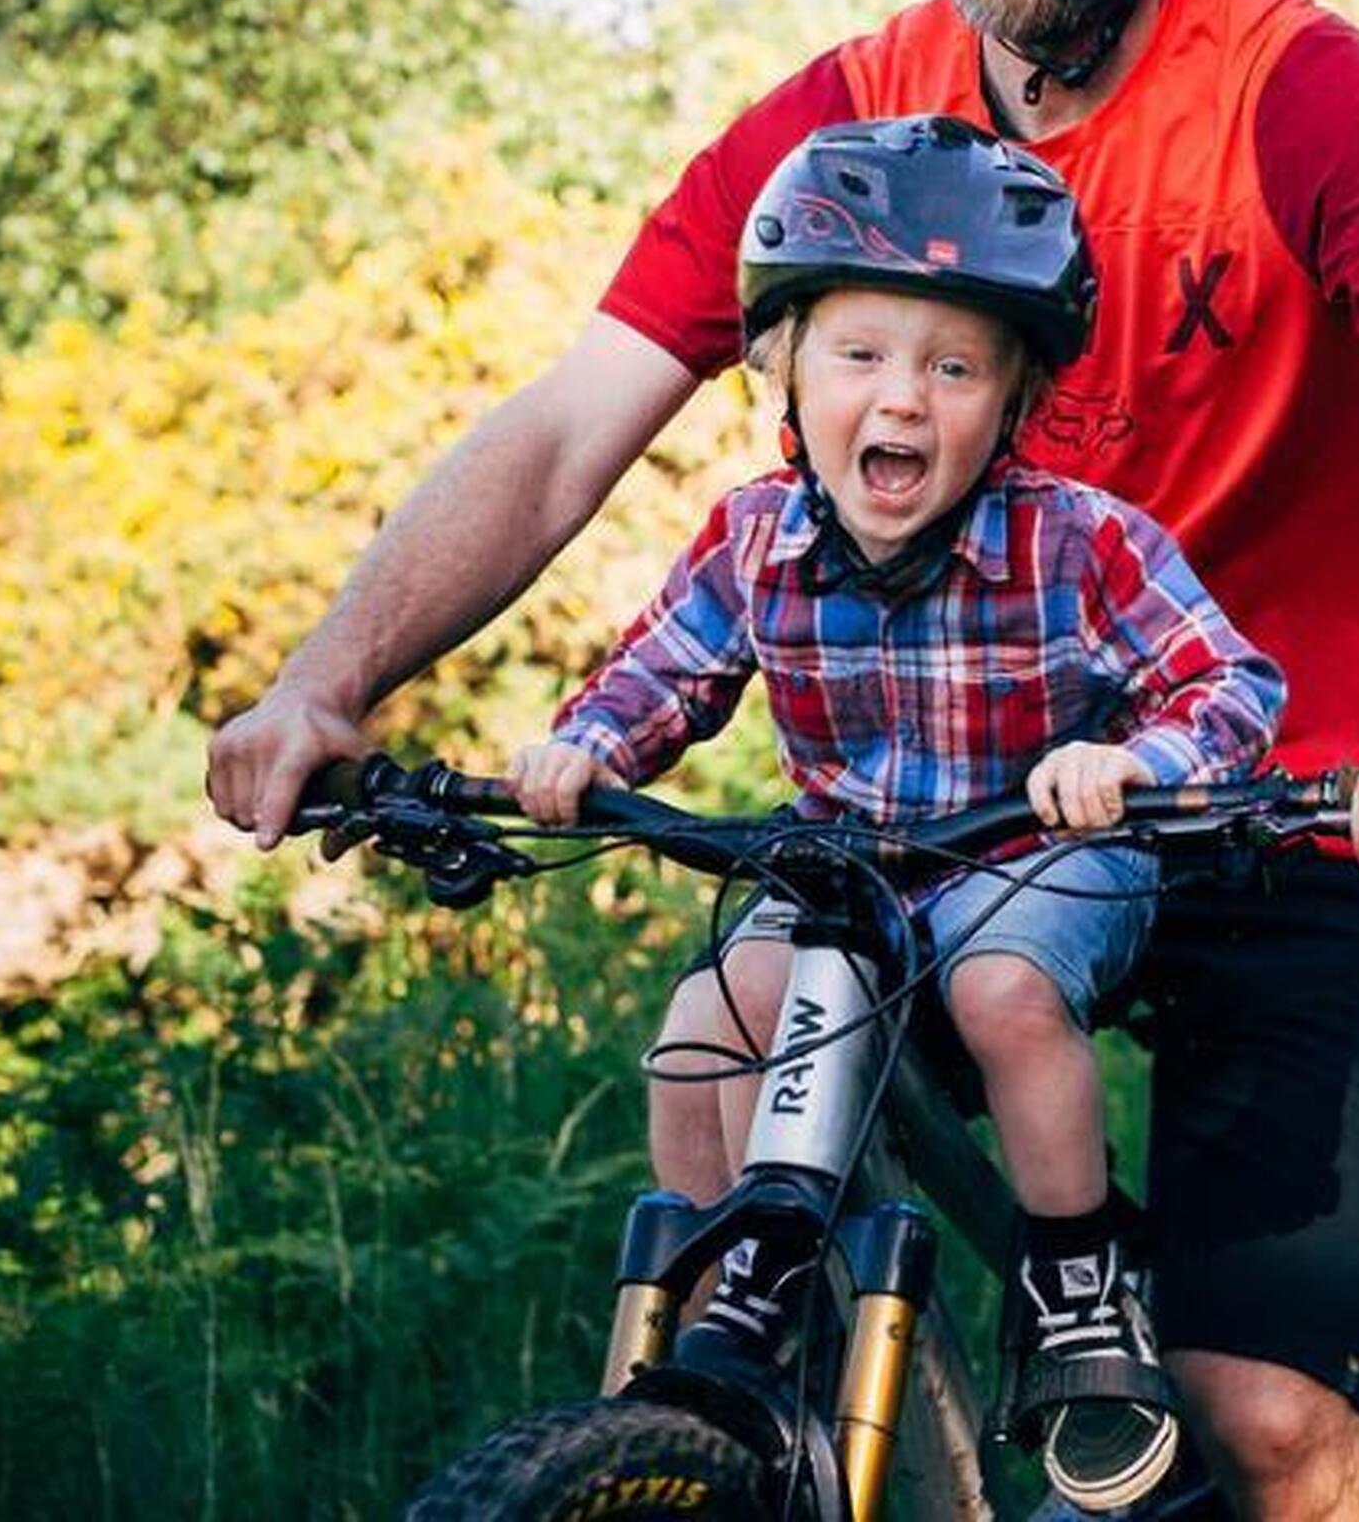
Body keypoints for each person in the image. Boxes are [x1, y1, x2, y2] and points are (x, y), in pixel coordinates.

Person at [208, 0, 1359, 1519]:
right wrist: (325, 684)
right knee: (723, 1137)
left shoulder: (1307, 98)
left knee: (1252, 1410)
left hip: (1299, 802)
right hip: (958, 823)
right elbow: (563, 428)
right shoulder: (853, 129)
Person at [509, 114, 1286, 1511]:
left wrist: (1141, 764)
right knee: (706, 1026)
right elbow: (661, 676)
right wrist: (580, 749)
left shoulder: (1080, 539)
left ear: (1016, 400)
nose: (905, 401)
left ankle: (1080, 1298)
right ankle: (733, 1323)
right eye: (860, 355)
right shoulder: (754, 537)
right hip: (847, 880)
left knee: (998, 987)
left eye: (954, 367)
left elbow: (1230, 684)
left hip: (1036, 855)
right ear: (781, 370)